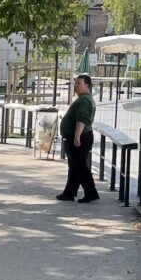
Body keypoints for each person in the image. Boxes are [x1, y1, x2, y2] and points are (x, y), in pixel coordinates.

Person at [56, 74, 98, 203]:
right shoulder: (83, 99)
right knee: (74, 166)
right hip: (78, 136)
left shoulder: (84, 100)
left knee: (80, 166)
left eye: (79, 83)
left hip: (80, 137)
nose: (76, 86)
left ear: (87, 86)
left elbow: (82, 119)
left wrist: (77, 136)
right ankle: (69, 192)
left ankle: (91, 192)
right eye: (75, 83)